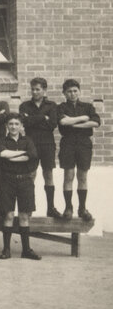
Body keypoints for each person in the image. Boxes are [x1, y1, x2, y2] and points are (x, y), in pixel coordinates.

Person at [0, 113, 41, 260]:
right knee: (8, 214)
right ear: (6, 126)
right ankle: (6, 250)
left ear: (21, 126)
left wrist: (12, 155)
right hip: (7, 181)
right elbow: (2, 155)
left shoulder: (28, 140)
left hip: (25, 181)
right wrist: (23, 155)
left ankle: (26, 250)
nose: (13, 126)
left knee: (24, 215)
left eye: (16, 124)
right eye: (11, 124)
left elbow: (33, 156)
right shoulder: (2, 140)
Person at [56, 78, 101, 221]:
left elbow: (95, 122)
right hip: (68, 143)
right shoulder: (61, 107)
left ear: (79, 91)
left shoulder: (88, 106)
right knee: (68, 176)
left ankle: (82, 208)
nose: (72, 94)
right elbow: (63, 121)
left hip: (84, 144)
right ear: (64, 93)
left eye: (75, 91)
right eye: (69, 91)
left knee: (82, 176)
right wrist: (83, 118)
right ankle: (68, 207)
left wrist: (73, 123)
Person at [19, 77, 60, 217]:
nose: (35, 92)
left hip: (47, 144)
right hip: (31, 144)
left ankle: (51, 208)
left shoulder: (52, 105)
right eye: (33, 89)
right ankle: (28, 208)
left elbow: (52, 124)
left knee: (48, 174)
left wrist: (34, 118)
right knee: (30, 175)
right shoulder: (24, 106)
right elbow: (25, 123)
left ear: (44, 90)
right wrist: (43, 117)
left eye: (38, 89)